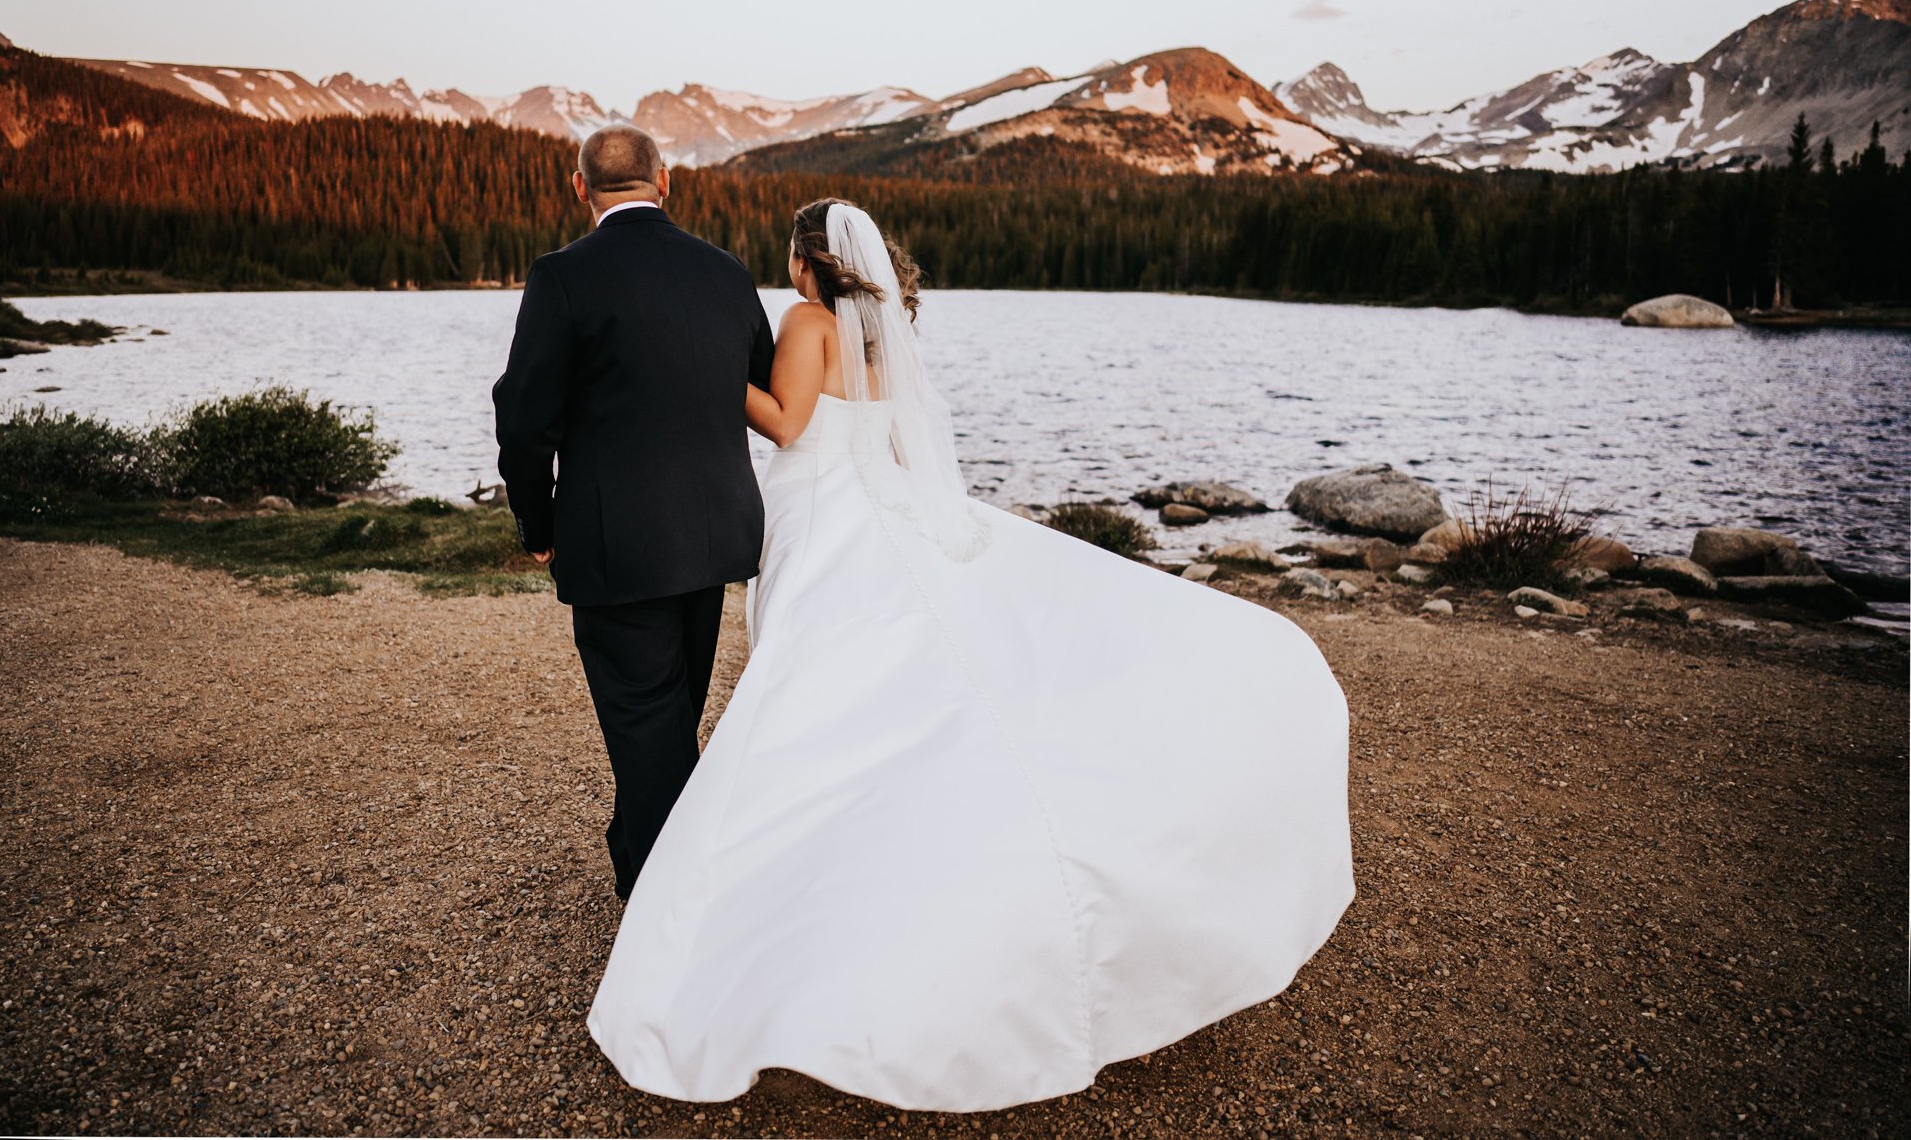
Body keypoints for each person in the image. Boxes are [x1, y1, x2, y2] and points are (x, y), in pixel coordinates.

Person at [585, 196, 1357, 1111]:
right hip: (881, 506)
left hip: (823, 521)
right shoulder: (883, 336)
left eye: (790, 258)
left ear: (805, 264)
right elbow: (897, 440)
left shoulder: (805, 321)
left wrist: (701, 370)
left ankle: (779, 914)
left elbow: (787, 424)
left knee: (807, 700)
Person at [491, 124, 774, 902]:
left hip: (618, 546)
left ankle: (669, 910)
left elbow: (522, 418)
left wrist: (539, 527)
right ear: (666, 181)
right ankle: (651, 858)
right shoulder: (725, 271)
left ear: (579, 187)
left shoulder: (563, 276)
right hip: (715, 538)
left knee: (648, 727)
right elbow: (756, 382)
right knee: (668, 719)